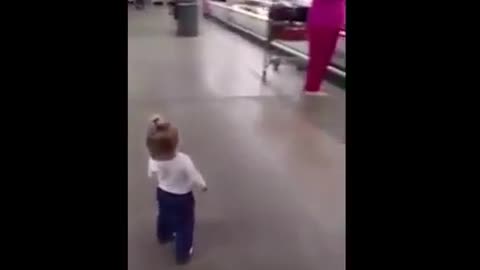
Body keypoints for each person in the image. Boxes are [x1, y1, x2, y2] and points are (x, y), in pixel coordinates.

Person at [146, 114, 208, 265]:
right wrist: (203, 185)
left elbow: (151, 173)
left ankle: (164, 236)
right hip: (182, 198)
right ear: (175, 144)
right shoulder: (183, 160)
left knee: (164, 215)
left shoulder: (154, 159)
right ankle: (183, 253)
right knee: (185, 225)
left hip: (162, 193)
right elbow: (194, 176)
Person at [304, 0, 345, 95]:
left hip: (331, 22)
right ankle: (311, 87)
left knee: (325, 56)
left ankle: (314, 85)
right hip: (323, 22)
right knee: (319, 57)